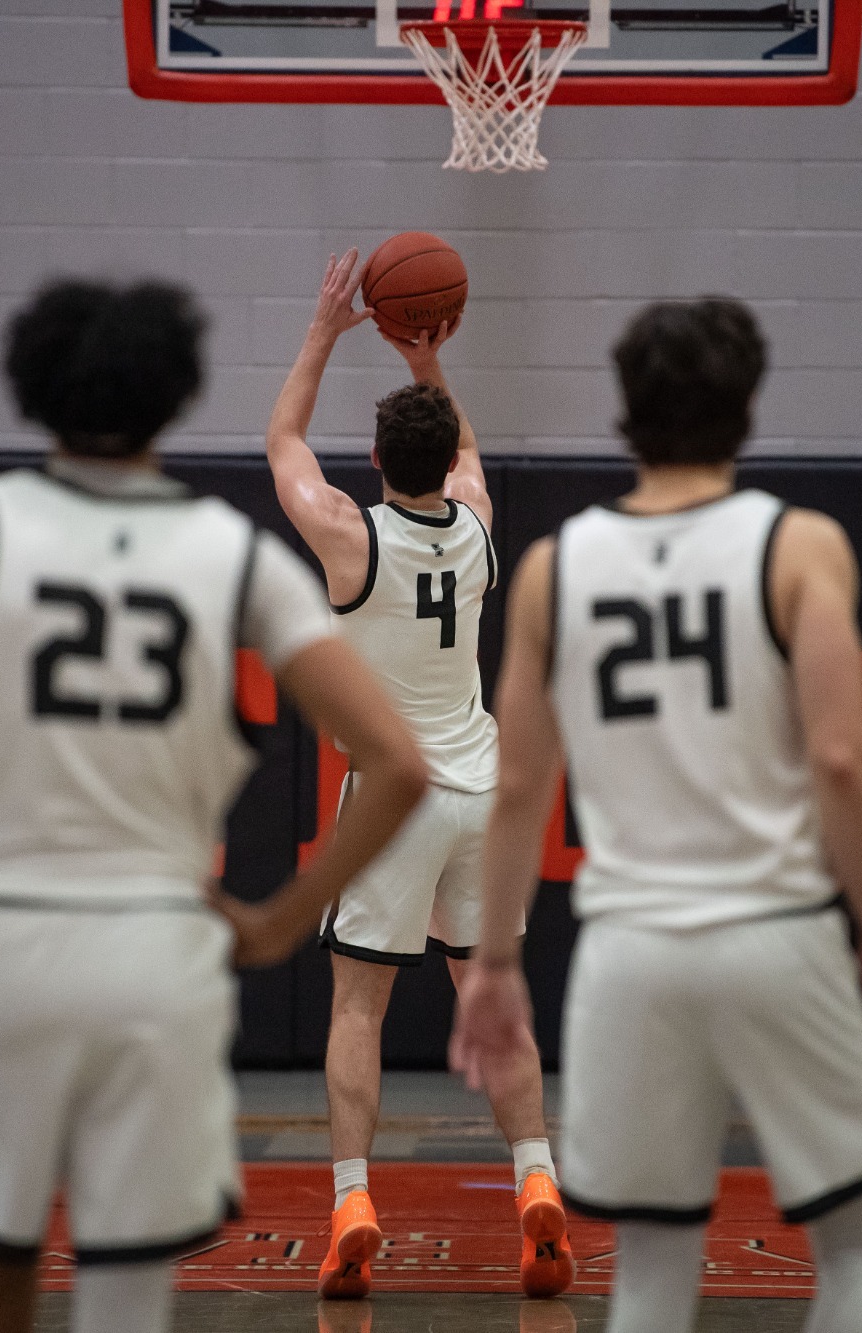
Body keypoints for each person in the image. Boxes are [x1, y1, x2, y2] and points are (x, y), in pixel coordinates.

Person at [0, 277, 428, 1333]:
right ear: (176, 392)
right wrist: (279, 920)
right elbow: (397, 759)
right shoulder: (226, 551)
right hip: (156, 948)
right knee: (125, 1295)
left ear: (30, 388)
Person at [451, 298, 862, 1333]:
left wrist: (489, 963)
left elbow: (519, 789)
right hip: (777, 935)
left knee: (650, 1272)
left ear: (624, 409)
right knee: (855, 1245)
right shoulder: (800, 545)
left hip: (630, 955)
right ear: (747, 405)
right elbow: (842, 759)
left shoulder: (552, 568)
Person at [266, 250, 569, 1300]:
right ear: (446, 464)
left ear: (375, 459)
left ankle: (352, 1197)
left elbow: (281, 445)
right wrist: (426, 358)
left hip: (395, 797)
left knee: (358, 1007)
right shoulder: (478, 531)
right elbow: (471, 449)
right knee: (497, 999)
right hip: (482, 789)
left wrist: (326, 330)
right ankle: (536, 1181)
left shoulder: (351, 540)